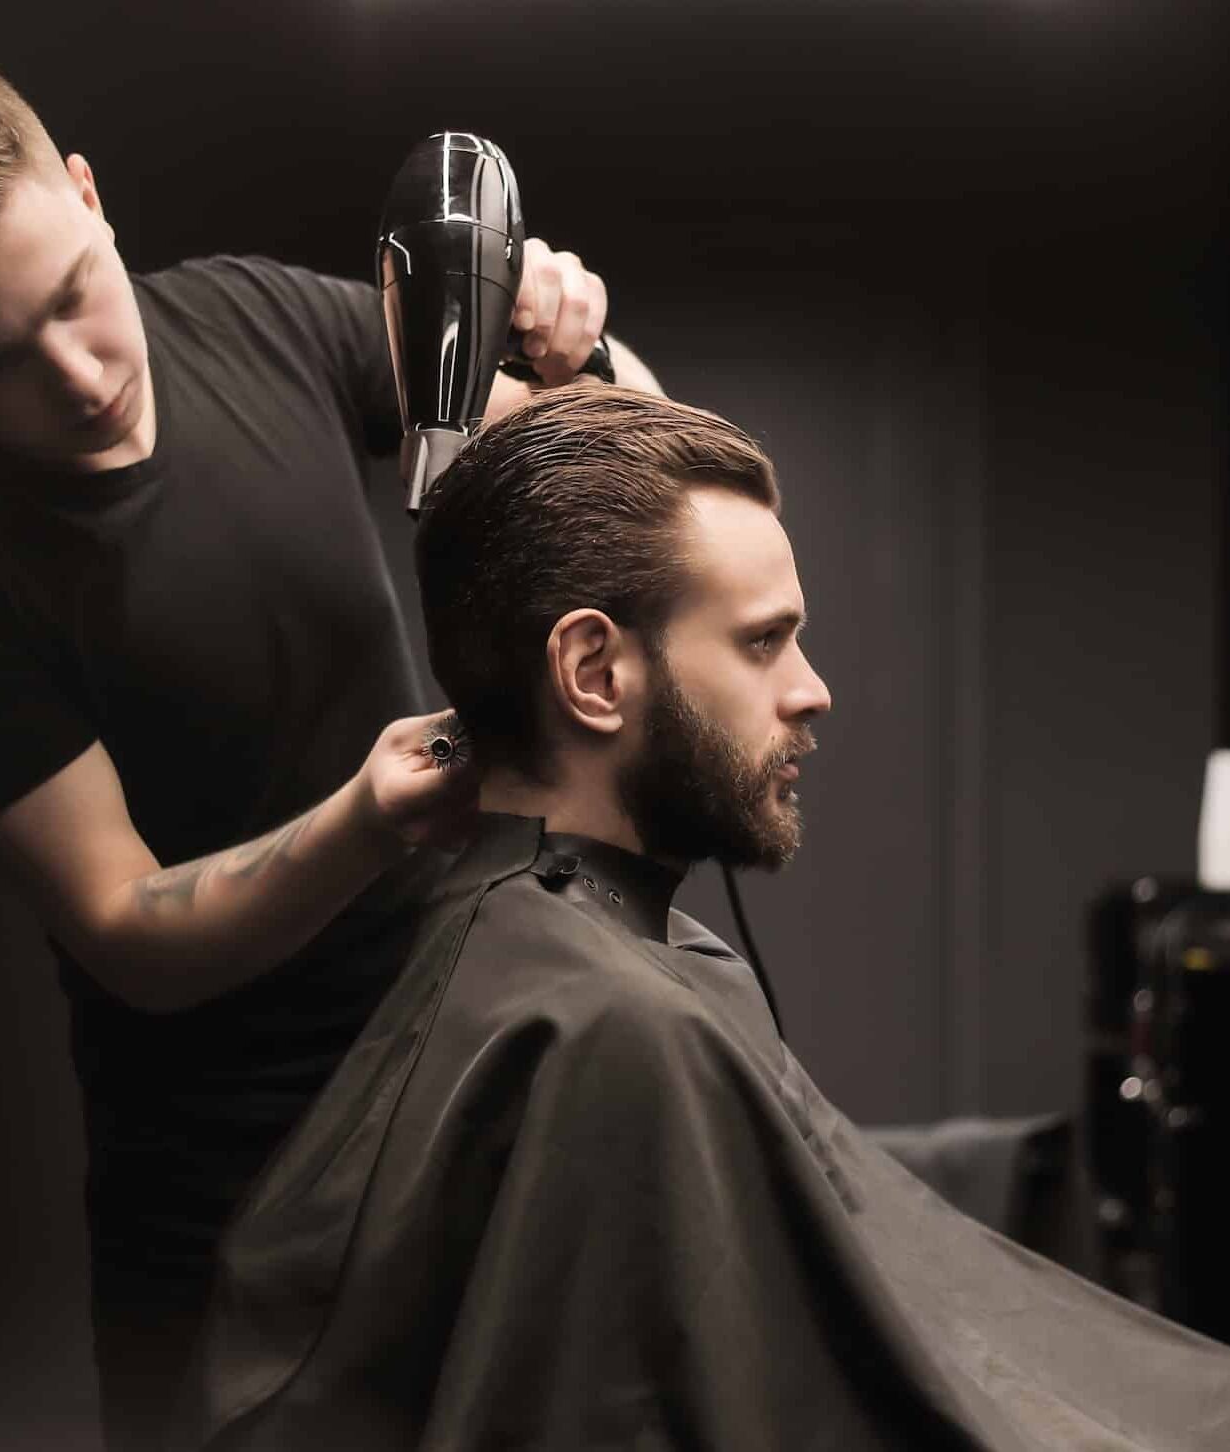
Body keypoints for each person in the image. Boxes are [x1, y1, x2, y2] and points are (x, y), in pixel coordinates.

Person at [0, 49, 663, 1451]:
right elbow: (128, 927)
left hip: (471, 1094)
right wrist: (367, 818)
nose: (73, 373)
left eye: (72, 296)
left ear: (87, 195)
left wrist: (577, 352)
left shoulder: (248, 316)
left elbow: (628, 478)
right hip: (231, 1194)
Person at [178, 387, 1230, 1450]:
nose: (811, 690)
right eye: (764, 640)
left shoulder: (601, 969)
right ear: (593, 671)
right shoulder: (608, 1021)